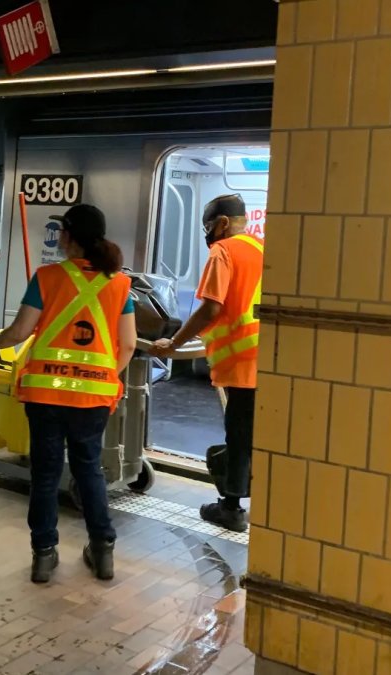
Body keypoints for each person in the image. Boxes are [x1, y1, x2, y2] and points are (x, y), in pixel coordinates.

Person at [0, 203, 137, 583]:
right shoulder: (120, 284)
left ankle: (43, 555)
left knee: (45, 474)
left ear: (68, 236)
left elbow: (20, 332)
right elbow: (130, 344)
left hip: (45, 396)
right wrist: (106, 375)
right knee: (89, 471)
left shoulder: (47, 277)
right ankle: (102, 552)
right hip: (93, 400)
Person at [149, 194, 262, 533]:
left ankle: (231, 508)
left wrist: (175, 342)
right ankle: (238, 500)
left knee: (239, 433)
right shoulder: (261, 248)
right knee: (250, 432)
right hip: (265, 355)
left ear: (223, 223)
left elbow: (211, 307)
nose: (208, 234)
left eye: (208, 226)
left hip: (241, 359)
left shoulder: (223, 251)